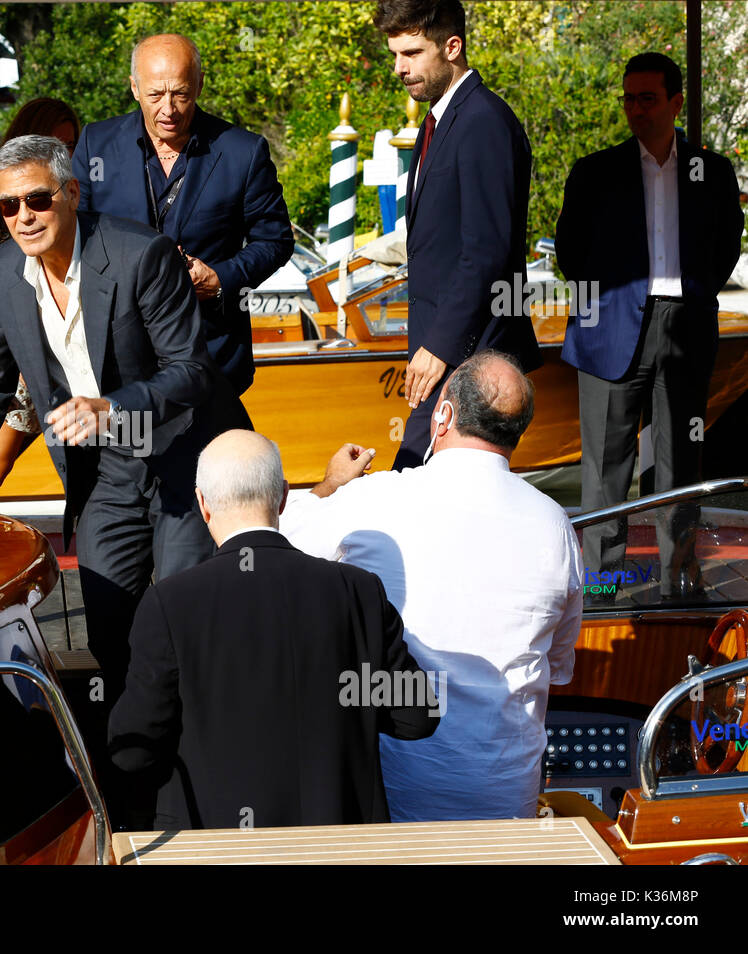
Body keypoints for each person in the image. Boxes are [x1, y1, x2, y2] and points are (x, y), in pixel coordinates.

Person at [0, 135, 244, 705]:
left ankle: (200, 762)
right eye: (8, 206)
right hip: (104, 473)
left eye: (36, 200)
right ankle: (134, 765)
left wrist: (113, 406)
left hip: (186, 460)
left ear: (72, 193)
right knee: (111, 632)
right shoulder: (5, 273)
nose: (23, 217)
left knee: (185, 625)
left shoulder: (143, 254)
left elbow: (192, 372)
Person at [280, 351, 582, 821]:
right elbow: (559, 667)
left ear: (443, 415)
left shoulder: (377, 498)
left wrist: (329, 484)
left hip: (397, 796)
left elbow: (284, 538)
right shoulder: (555, 524)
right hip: (507, 800)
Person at [108, 429, 439, 831]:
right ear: (283, 496)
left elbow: (132, 751)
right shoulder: (359, 591)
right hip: (341, 849)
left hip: (216, 851)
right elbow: (417, 716)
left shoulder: (169, 603)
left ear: (202, 504)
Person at [556, 52, 744, 598]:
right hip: (610, 327)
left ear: (676, 103)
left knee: (681, 463)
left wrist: (689, 290)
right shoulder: (595, 172)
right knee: (606, 470)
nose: (636, 110)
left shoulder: (711, 172)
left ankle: (678, 584)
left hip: (685, 327)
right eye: (629, 99)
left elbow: (725, 247)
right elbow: (571, 252)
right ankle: (601, 590)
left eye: (648, 98)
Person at [71, 33, 293, 398]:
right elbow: (77, 233)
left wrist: (220, 278)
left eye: (181, 94)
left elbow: (276, 240)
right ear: (134, 88)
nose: (168, 109)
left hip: (213, 357)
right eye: (156, 94)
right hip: (118, 360)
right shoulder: (97, 143)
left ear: (200, 85)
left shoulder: (244, 151)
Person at [373, 0, 541, 470]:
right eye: (394, 55)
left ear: (452, 46)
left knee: (418, 481)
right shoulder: (442, 121)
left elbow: (486, 249)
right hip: (448, 348)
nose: (399, 69)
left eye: (411, 53)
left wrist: (439, 346)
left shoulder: (482, 120)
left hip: (468, 356)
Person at [0, 97, 82, 505]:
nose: (64, 154)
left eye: (71, 145)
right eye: (53, 143)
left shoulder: (68, 196)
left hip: (49, 349)